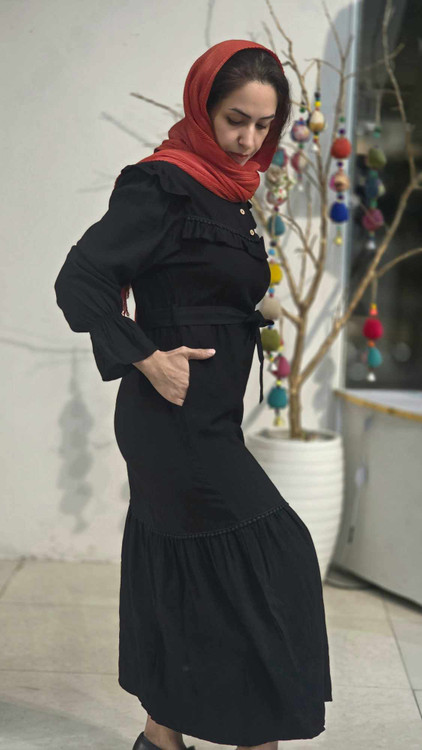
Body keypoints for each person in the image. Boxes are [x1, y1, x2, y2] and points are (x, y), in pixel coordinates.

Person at [54, 39, 332, 750]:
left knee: (187, 571)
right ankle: (252, 741)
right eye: (236, 120)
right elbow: (80, 280)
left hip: (212, 418)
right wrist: (147, 356)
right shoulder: (163, 184)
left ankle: (160, 736)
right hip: (171, 421)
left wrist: (253, 307)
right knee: (274, 555)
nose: (249, 139)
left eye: (264, 125)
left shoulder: (233, 191)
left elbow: (194, 277)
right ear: (203, 107)